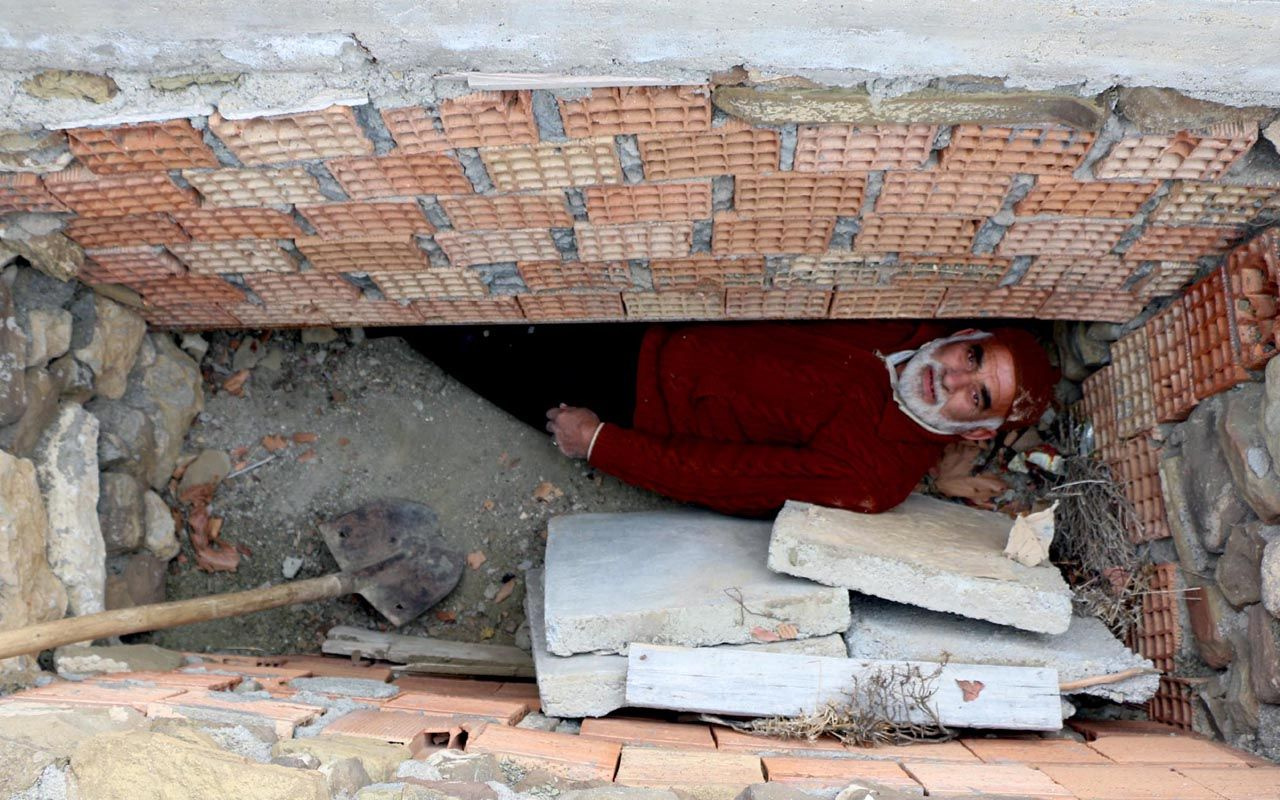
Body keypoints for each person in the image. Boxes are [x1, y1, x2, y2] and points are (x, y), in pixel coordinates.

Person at [544, 321, 1056, 517]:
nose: (952, 380)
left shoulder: (873, 474)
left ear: (979, 430)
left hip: (634, 398)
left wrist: (597, 442)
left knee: (471, 343)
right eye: (970, 358)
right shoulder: (911, 322)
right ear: (965, 334)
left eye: (978, 396)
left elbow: (721, 477)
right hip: (647, 313)